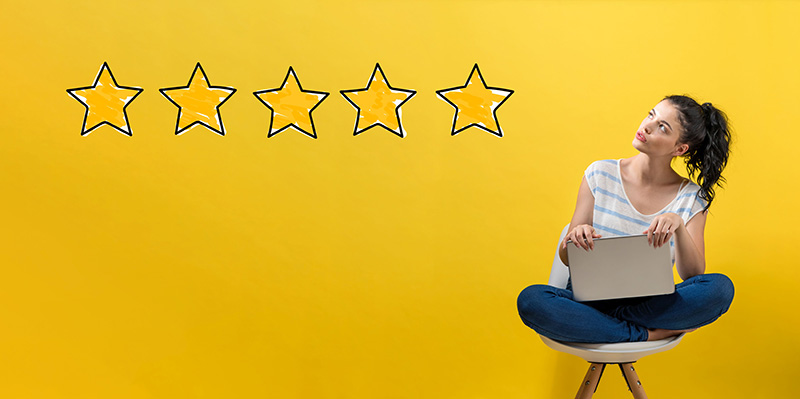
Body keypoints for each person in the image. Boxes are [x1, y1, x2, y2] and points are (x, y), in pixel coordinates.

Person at [517, 95, 735, 343]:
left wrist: (678, 226)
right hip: (586, 302)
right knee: (532, 300)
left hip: (647, 305)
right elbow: (566, 258)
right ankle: (642, 334)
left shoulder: (692, 197)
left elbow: (694, 275)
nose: (647, 126)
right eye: (651, 115)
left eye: (662, 127)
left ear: (680, 149)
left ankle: (610, 327)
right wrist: (574, 237)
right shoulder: (599, 173)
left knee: (720, 288)